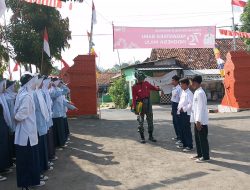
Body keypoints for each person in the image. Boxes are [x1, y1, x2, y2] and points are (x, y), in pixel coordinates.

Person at [14, 73, 45, 189]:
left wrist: (16, 118)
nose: (35, 83)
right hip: (27, 135)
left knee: (26, 161)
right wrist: (16, 118)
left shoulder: (22, 93)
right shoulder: (27, 96)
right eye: (33, 80)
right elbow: (21, 114)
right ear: (29, 82)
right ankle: (27, 184)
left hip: (25, 133)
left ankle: (27, 183)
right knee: (28, 161)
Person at [132, 71, 160, 143]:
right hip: (140, 104)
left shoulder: (146, 83)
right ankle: (142, 137)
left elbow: (153, 88)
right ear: (138, 78)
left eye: (143, 78)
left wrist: (158, 89)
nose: (142, 79)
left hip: (148, 103)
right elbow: (134, 98)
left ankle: (151, 136)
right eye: (141, 78)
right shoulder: (134, 87)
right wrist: (135, 108)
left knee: (150, 119)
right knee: (141, 121)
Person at [33, 76, 51, 181]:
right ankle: (41, 168)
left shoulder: (39, 93)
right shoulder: (35, 94)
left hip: (42, 122)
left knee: (43, 147)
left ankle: (44, 166)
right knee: (39, 148)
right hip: (37, 125)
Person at [190, 75, 210, 162]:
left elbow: (200, 108)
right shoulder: (197, 92)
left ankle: (205, 157)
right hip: (196, 119)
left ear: (195, 82)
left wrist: (198, 121)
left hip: (201, 121)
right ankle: (199, 154)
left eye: (192, 82)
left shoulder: (200, 93)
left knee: (202, 139)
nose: (191, 84)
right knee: (197, 138)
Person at [50, 78, 69, 149]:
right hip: (55, 114)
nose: (59, 83)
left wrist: (62, 85)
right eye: (57, 82)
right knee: (57, 131)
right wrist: (59, 86)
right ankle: (58, 144)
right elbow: (56, 94)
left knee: (60, 130)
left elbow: (67, 90)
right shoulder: (51, 90)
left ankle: (61, 143)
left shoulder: (58, 89)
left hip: (60, 112)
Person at [0, 79, 12, 182]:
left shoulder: (2, 96)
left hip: (3, 124)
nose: (4, 87)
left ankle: (3, 167)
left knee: (3, 146)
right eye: (2, 85)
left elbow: (6, 112)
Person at [177, 78, 194, 152]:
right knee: (182, 129)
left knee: (186, 129)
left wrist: (184, 109)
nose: (180, 85)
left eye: (181, 84)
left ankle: (189, 145)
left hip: (186, 113)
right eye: (180, 84)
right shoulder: (183, 92)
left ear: (186, 84)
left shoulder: (189, 93)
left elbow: (191, 104)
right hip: (181, 113)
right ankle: (184, 144)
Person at [4, 80, 18, 166]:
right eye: (13, 86)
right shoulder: (6, 97)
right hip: (11, 121)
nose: (14, 87)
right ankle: (13, 157)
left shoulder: (13, 96)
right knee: (11, 140)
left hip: (15, 120)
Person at [170, 75, 182, 144]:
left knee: (178, 123)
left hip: (177, 106)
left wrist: (178, 109)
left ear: (177, 81)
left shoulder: (179, 89)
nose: (172, 81)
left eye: (173, 80)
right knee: (175, 123)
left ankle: (180, 138)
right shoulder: (174, 88)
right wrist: (172, 109)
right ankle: (177, 136)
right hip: (173, 106)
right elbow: (173, 99)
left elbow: (180, 99)